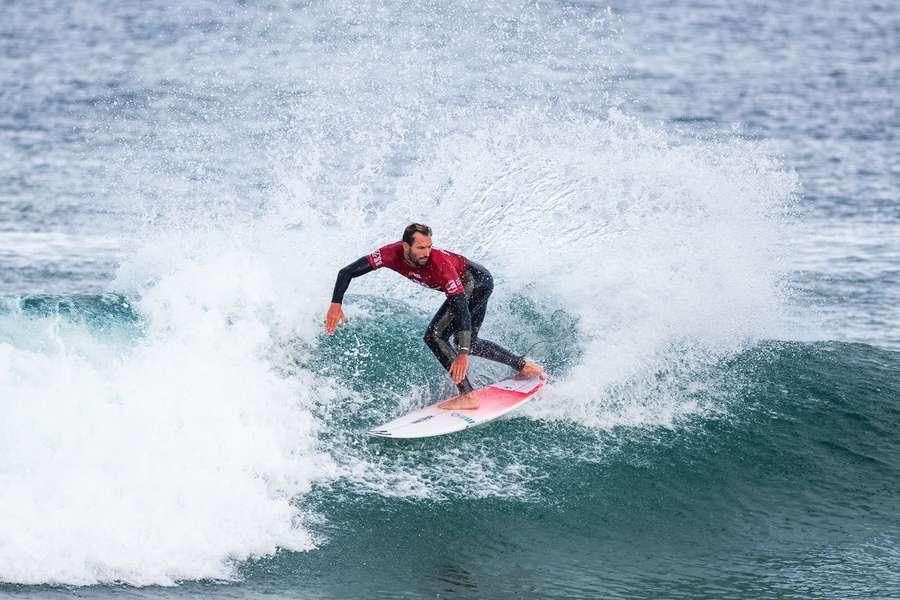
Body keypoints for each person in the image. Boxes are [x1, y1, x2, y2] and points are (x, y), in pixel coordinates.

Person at [325, 223, 544, 409]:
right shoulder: (389, 254)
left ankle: (467, 395)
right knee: (468, 342)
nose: (426, 252)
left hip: (475, 281)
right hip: (476, 282)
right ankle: (524, 367)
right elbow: (346, 272)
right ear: (405, 246)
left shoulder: (440, 264)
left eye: (429, 246)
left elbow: (460, 307)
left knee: (435, 336)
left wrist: (463, 354)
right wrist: (336, 304)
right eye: (420, 247)